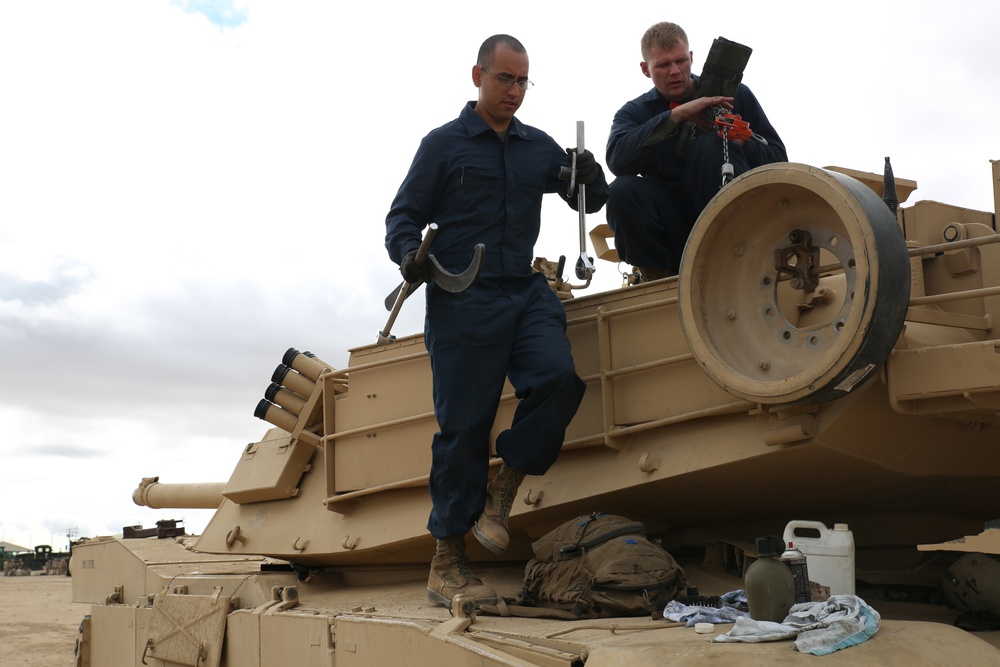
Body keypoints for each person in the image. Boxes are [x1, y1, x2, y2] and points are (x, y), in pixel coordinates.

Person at [385, 34, 610, 606]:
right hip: (462, 297)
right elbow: (403, 215)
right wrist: (410, 252)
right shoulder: (443, 145)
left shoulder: (538, 147)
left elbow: (587, 200)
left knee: (559, 380)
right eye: (503, 79)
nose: (513, 91)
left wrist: (590, 173)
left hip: (525, 289)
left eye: (522, 81)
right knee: (463, 428)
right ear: (477, 76)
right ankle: (447, 561)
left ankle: (504, 486)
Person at [606, 22, 787, 281]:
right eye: (663, 65)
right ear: (646, 69)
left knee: (710, 146)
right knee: (621, 191)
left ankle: (738, 258)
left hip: (737, 227)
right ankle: (658, 277)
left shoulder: (735, 97)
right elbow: (618, 160)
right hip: (675, 229)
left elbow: (778, 158)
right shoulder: (635, 113)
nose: (675, 71)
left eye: (681, 61)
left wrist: (740, 141)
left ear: (691, 58)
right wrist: (675, 116)